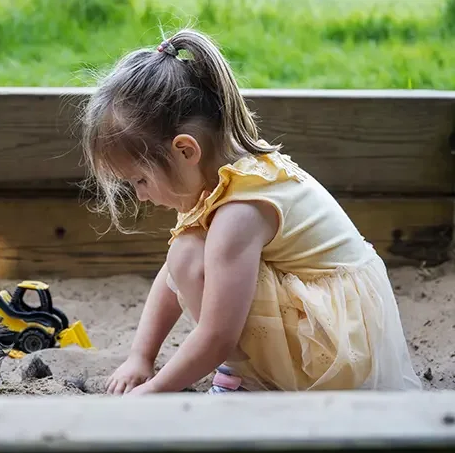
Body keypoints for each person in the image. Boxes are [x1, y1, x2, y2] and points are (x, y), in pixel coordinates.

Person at [80, 28, 422, 395]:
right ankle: (245, 374)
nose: (142, 196)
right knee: (186, 252)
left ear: (185, 151)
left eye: (139, 181)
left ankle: (244, 380)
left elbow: (216, 335)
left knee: (187, 252)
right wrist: (140, 357)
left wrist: (152, 392)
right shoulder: (226, 176)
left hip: (337, 343)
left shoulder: (239, 211)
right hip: (335, 318)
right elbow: (171, 277)